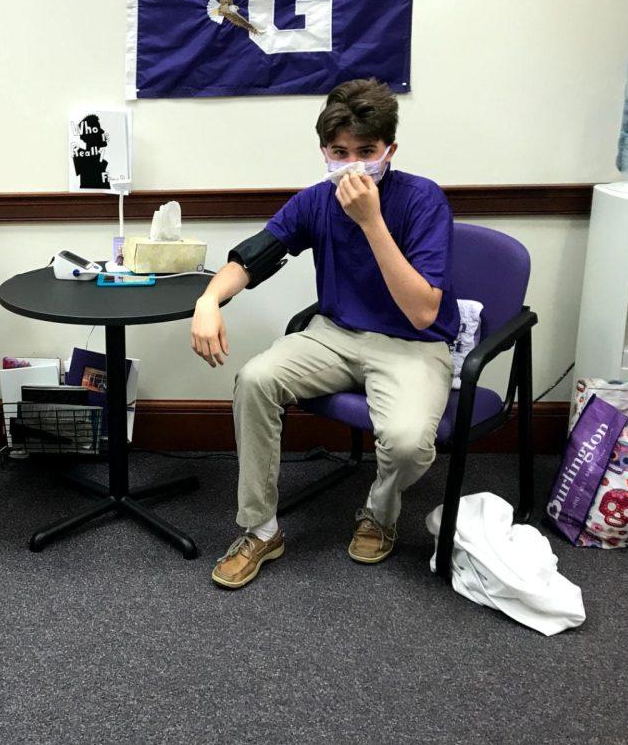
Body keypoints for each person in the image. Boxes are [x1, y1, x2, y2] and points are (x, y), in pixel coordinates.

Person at [190, 78, 459, 589]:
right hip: (334, 334)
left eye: (366, 151)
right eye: (340, 152)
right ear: (324, 153)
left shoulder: (423, 201)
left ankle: (379, 513)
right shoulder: (316, 200)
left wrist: (372, 222)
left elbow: (424, 312)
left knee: (406, 444)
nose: (352, 164)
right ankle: (261, 530)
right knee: (256, 379)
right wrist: (208, 300)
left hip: (412, 345)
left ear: (389, 151)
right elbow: (253, 257)